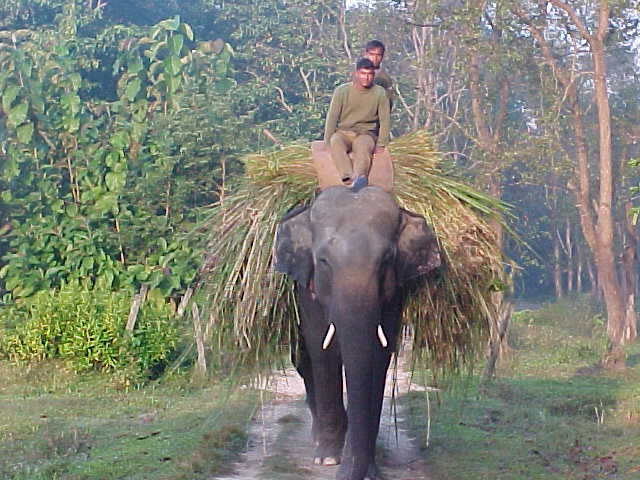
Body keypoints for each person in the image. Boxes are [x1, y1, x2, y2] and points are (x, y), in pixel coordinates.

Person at [324, 57, 390, 188]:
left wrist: (382, 143)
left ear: (373, 75)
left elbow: (385, 120)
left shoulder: (380, 93)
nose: (366, 78)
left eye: (370, 74)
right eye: (363, 74)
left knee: (363, 146)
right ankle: (347, 176)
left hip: (366, 133)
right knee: (335, 141)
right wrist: (327, 141)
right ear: (356, 73)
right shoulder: (342, 91)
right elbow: (332, 117)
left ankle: (359, 178)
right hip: (344, 132)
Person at [364, 39, 395, 109]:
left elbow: (388, 104)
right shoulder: (356, 74)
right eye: (371, 54)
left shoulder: (384, 79)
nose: (375, 58)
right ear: (366, 54)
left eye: (378, 55)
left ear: (382, 56)